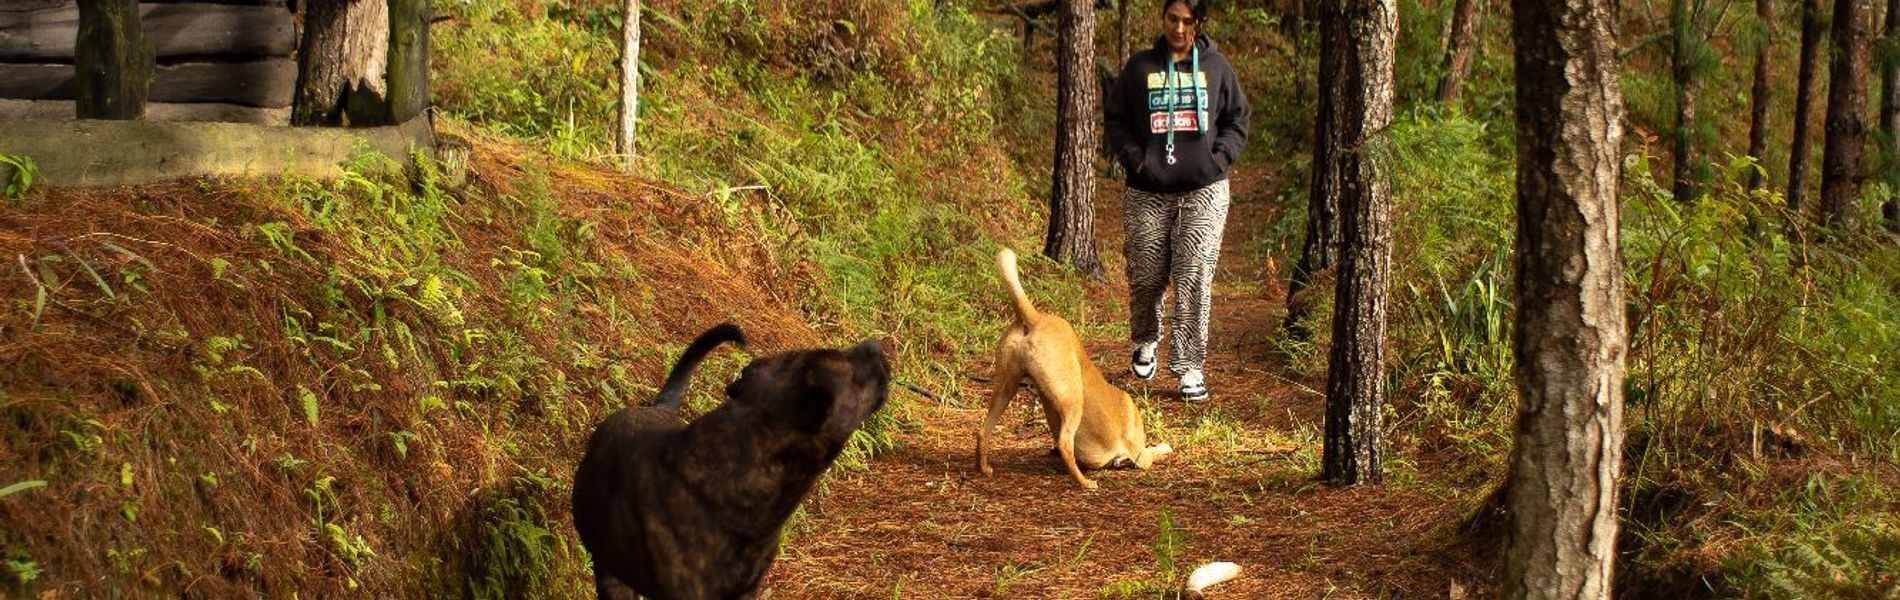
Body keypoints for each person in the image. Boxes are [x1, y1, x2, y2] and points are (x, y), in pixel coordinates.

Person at [1103, 0, 1250, 402]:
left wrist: (1217, 158)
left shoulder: (1217, 68)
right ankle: (1146, 338)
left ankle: (1189, 366)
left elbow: (1238, 118)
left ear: (1198, 23)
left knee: (1193, 277)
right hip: (1147, 192)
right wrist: (1135, 159)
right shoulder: (1139, 68)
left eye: (1188, 21)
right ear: (1163, 20)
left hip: (1204, 190)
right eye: (1173, 19)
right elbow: (1115, 119)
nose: (1180, 29)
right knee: (1147, 275)